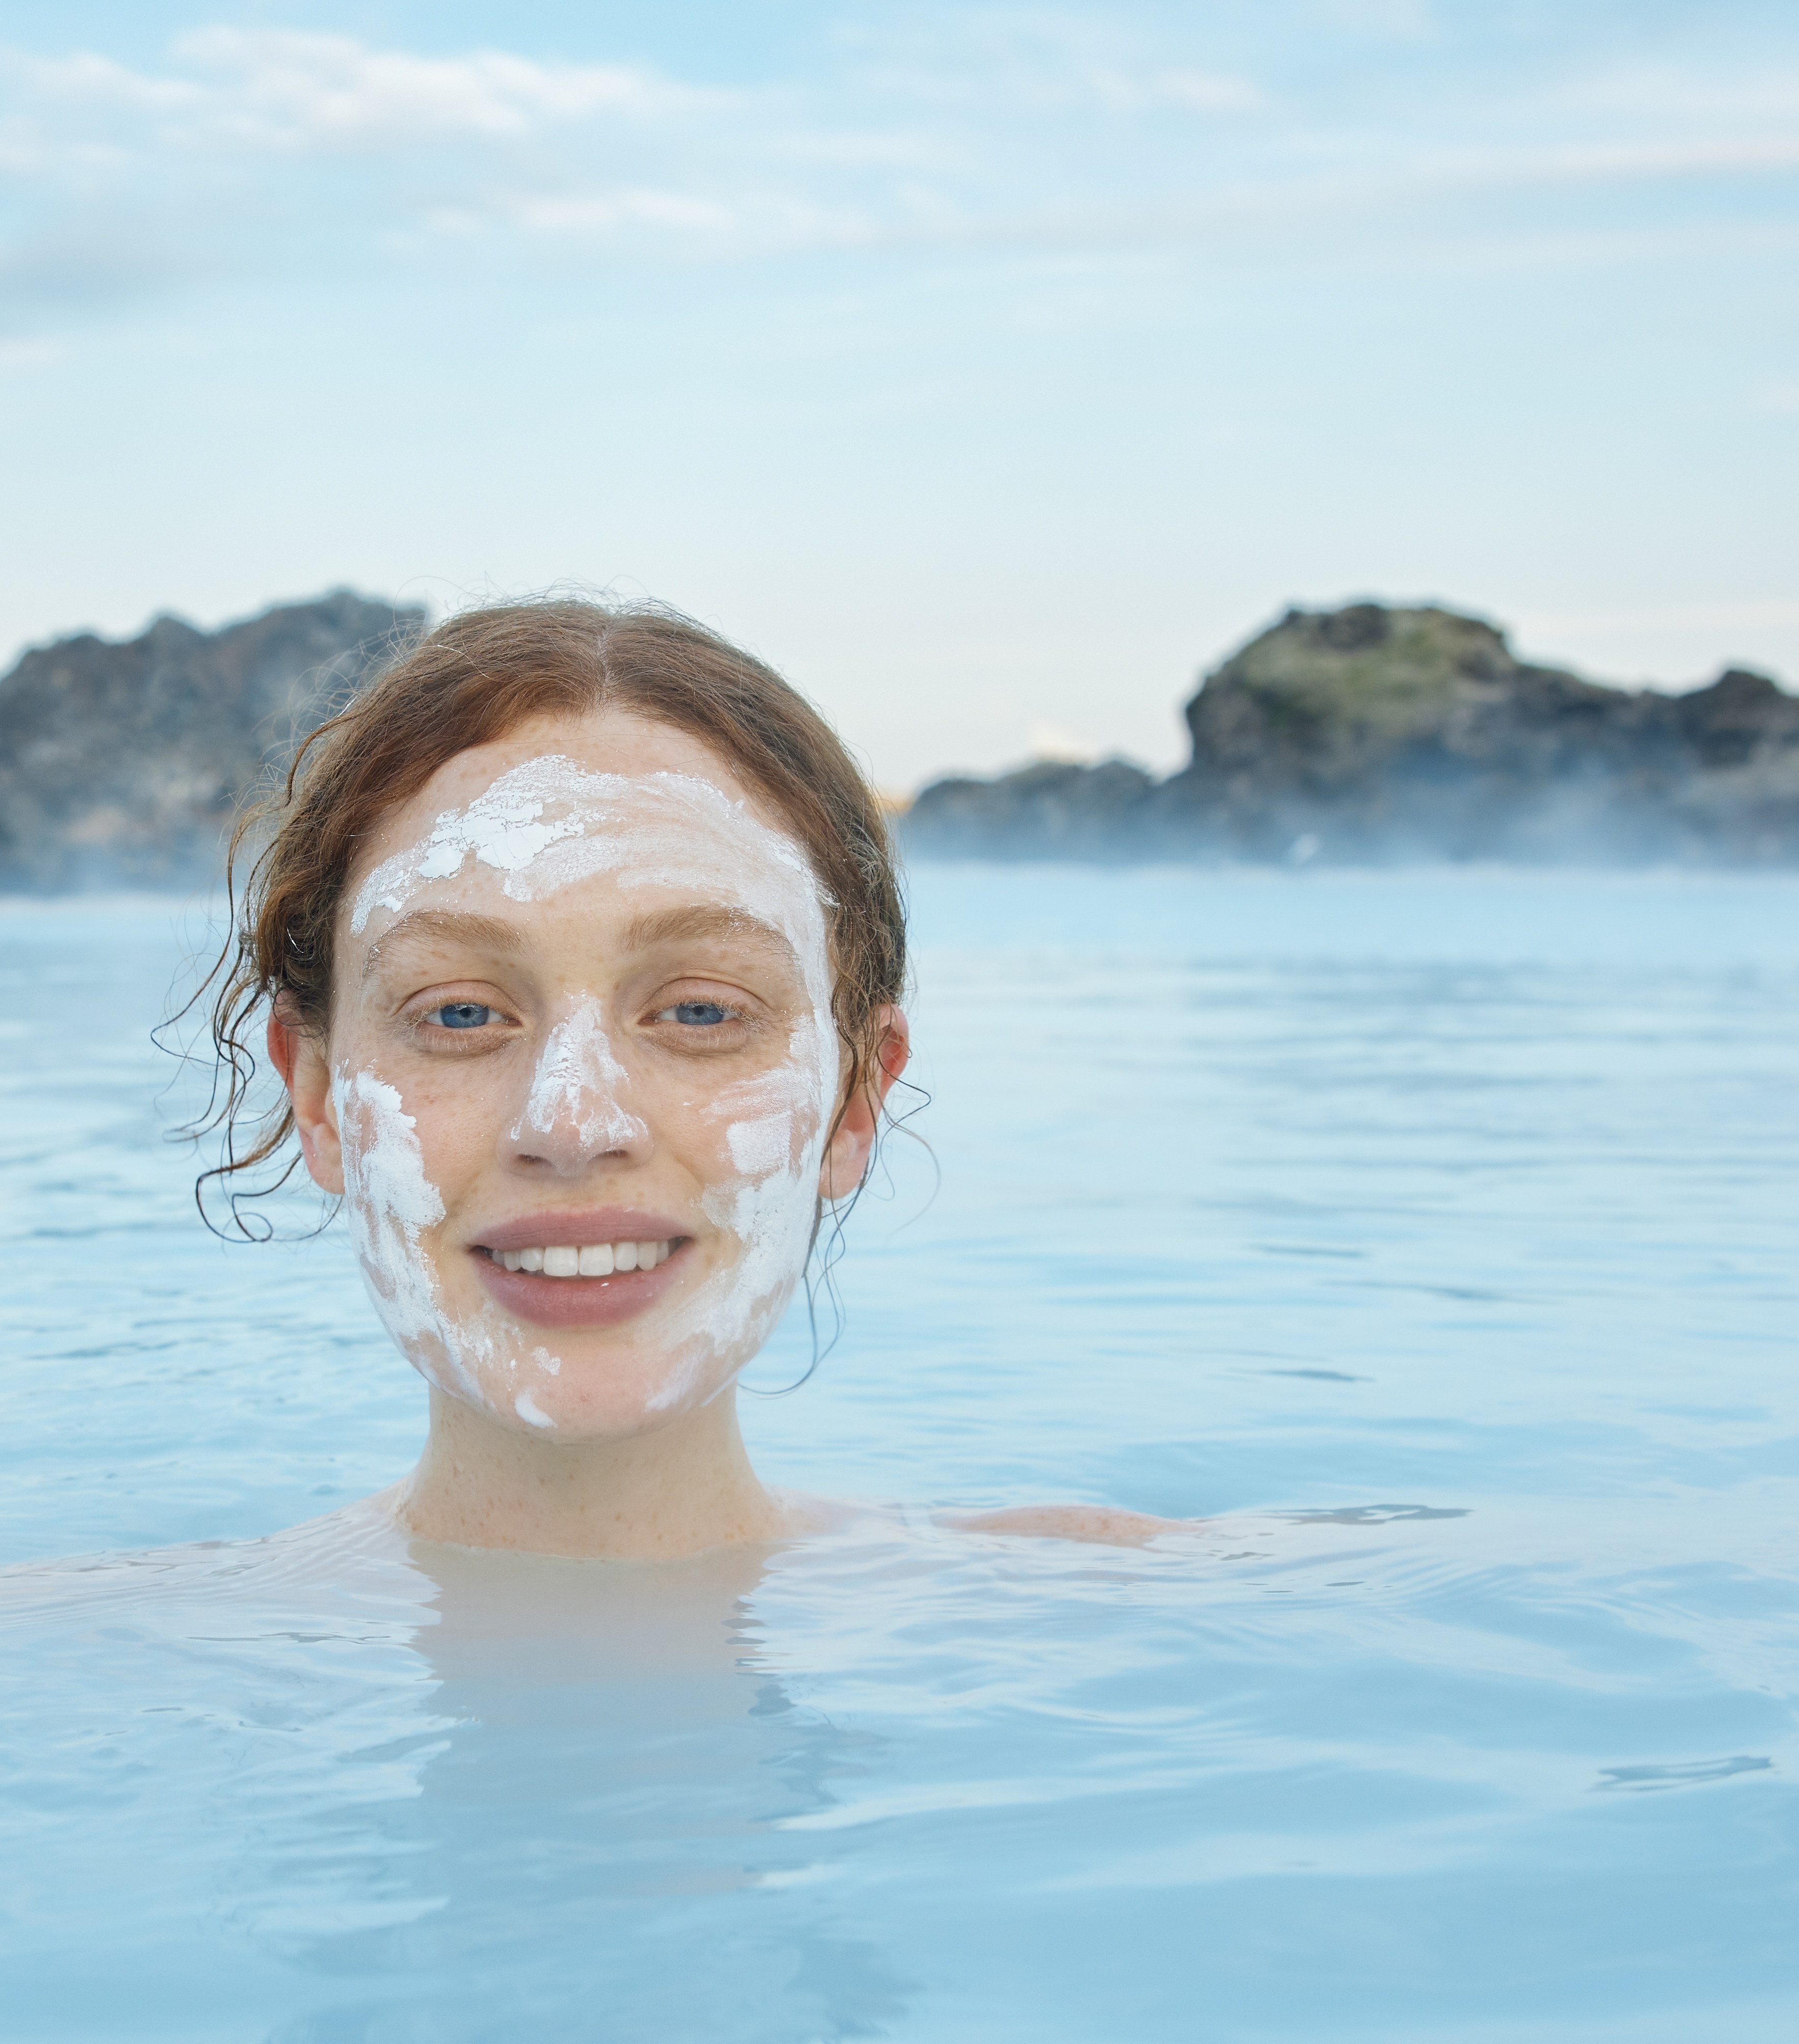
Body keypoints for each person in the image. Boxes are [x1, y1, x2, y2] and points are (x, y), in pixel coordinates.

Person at [200, 598, 1166, 1559]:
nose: (572, 1123)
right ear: (318, 1096)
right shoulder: (88, 1655)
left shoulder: (1118, 1592)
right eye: (460, 1012)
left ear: (854, 1099)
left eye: (700, 1010)